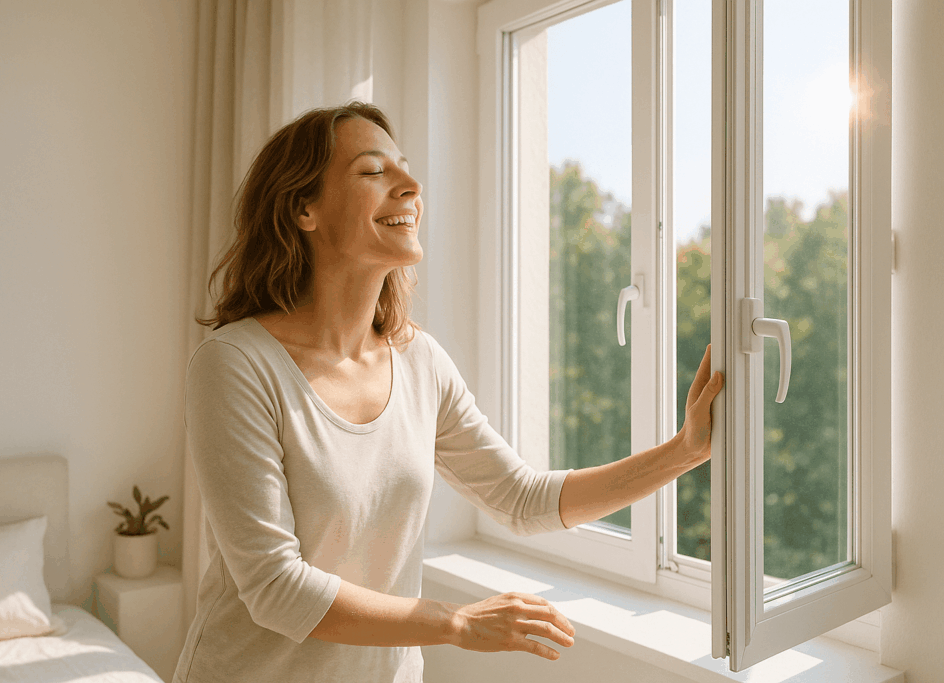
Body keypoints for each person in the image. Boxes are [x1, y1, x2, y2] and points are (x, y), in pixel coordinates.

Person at [174, 101, 723, 683]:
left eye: (406, 169)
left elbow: (522, 498)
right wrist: (454, 622)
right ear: (304, 208)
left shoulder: (420, 361)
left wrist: (685, 451)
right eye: (373, 171)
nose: (410, 186)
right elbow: (276, 590)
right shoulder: (236, 364)